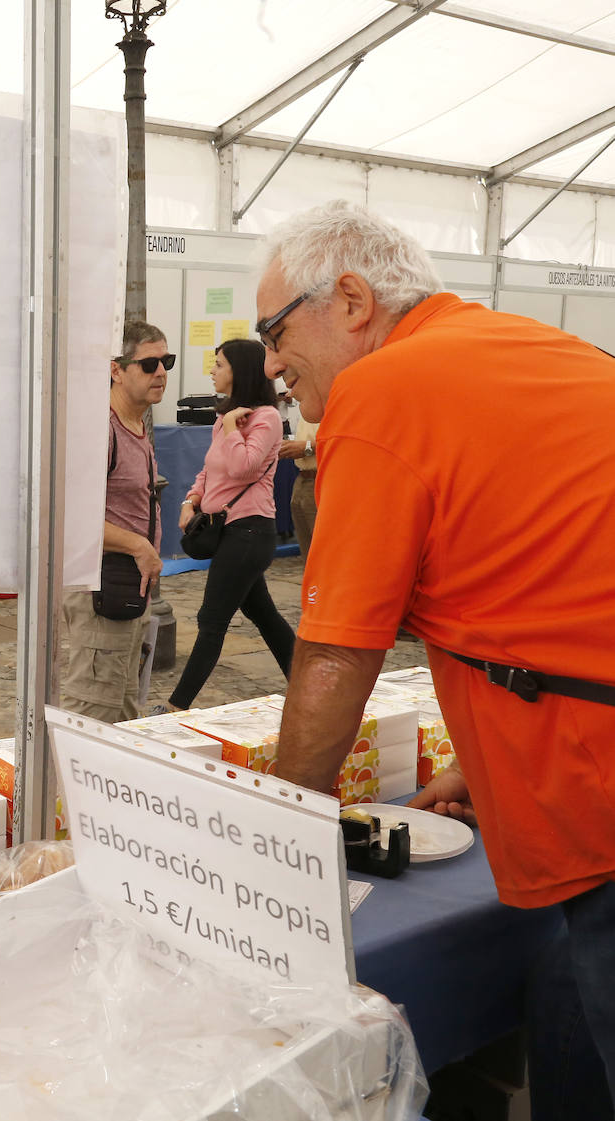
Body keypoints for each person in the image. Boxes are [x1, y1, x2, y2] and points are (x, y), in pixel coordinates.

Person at [257, 200, 615, 1117]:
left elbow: (337, 657)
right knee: (569, 1021)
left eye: (273, 330)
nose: (269, 363)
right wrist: (482, 759)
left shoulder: (385, 391)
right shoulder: (537, 350)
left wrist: (273, 842)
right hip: (582, 771)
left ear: (349, 298)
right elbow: (555, 581)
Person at [167, 339, 296, 710]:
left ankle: (178, 705)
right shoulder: (227, 417)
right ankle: (307, 688)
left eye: (219, 364)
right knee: (264, 615)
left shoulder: (266, 418)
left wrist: (230, 430)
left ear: (239, 371)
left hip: (250, 530)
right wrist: (190, 500)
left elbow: (245, 467)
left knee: (212, 620)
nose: (213, 370)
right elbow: (211, 469)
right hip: (229, 531)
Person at [60, 321, 169, 723]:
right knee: (91, 710)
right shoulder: (101, 429)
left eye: (166, 362)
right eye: (149, 364)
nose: (161, 372)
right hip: (102, 586)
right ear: (116, 370)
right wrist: (139, 545)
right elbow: (68, 518)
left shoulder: (136, 425)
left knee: (122, 708)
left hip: (125, 587)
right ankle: (65, 785)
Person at [278, 417, 319, 555]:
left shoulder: (331, 404)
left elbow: (337, 441)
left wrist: (306, 448)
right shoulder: (308, 410)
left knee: (323, 550)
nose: (291, 393)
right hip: (302, 479)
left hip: (319, 480)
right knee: (308, 551)